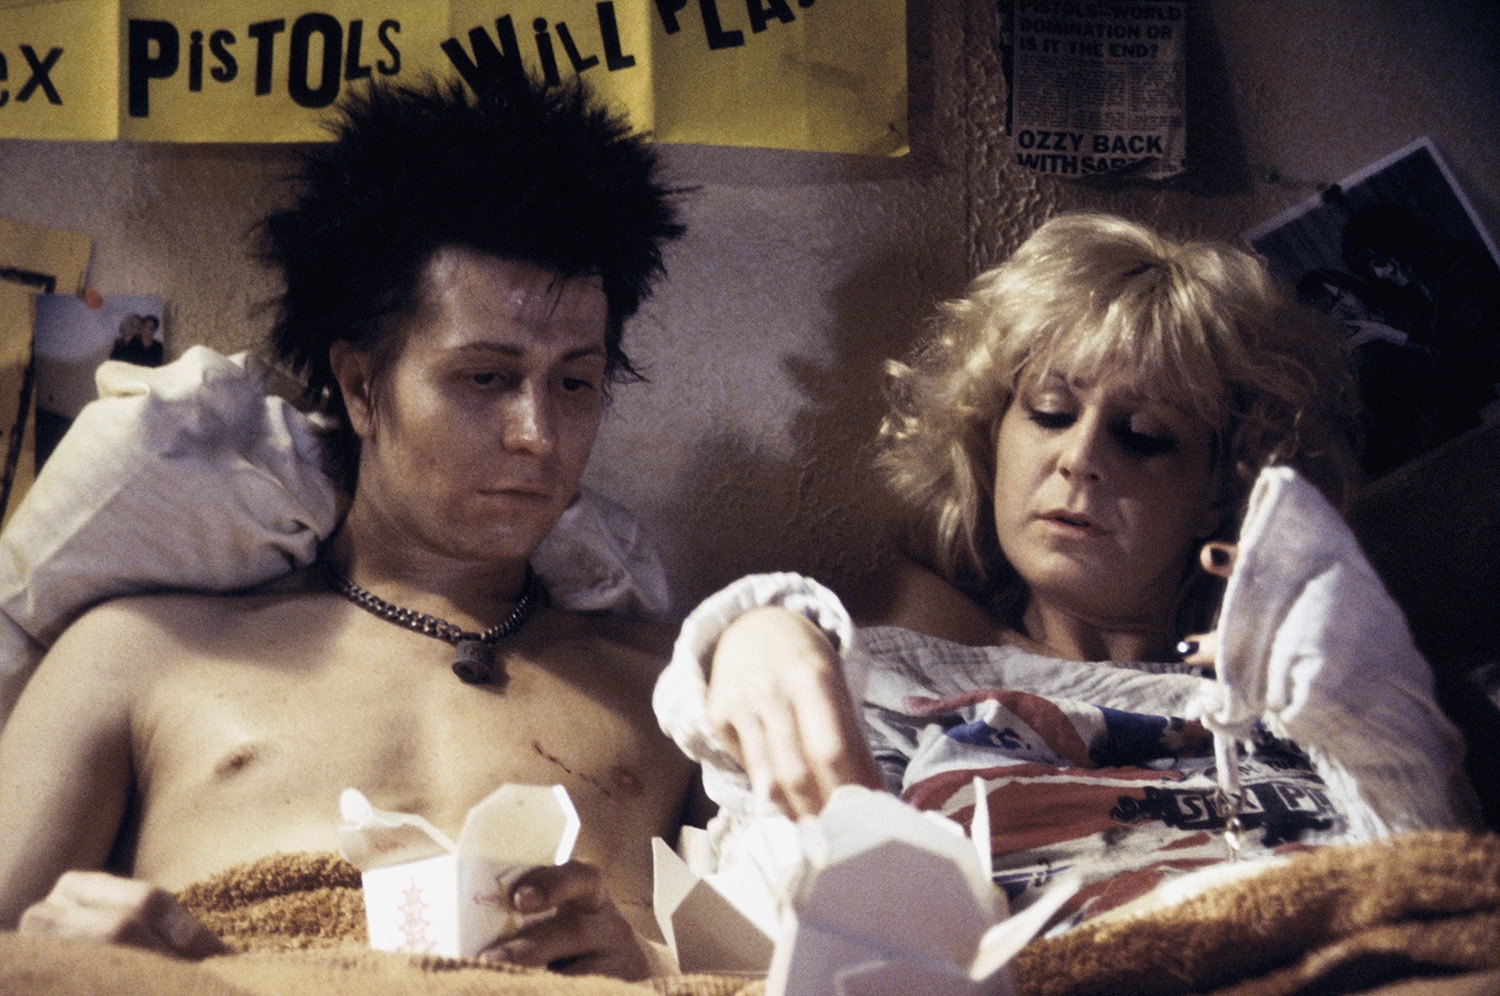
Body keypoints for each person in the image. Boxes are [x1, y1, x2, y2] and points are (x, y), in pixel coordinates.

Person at [0, 72, 696, 980]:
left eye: (574, 382)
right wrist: (83, 956)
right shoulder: (135, 653)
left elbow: (815, 954)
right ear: (362, 387)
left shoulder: (681, 689)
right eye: (486, 378)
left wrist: (648, 970)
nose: (539, 433)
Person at [658, 212, 1476, 926]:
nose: (1081, 457)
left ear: (1216, 492)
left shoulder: (1314, 701)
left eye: (1144, 436)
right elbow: (795, 894)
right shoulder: (891, 676)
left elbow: (1432, 864)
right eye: (1050, 412)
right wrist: (754, 630)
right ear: (994, 436)